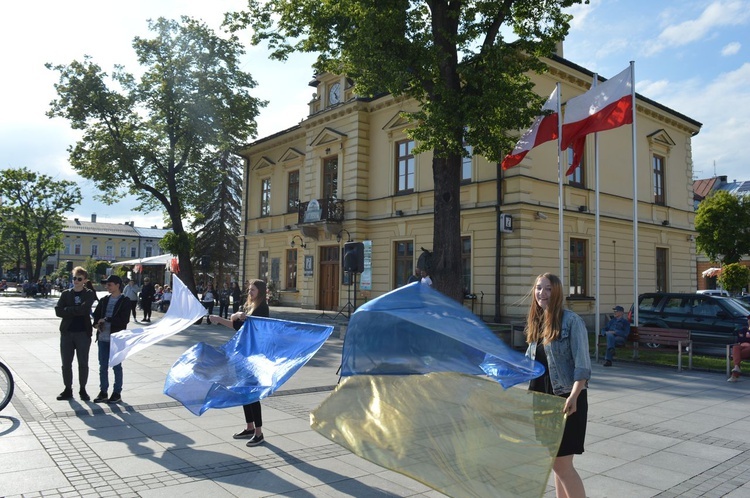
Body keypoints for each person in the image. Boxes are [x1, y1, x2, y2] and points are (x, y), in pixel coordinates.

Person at [525, 273, 590, 498]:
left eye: (548, 289)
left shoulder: (572, 321)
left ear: (558, 292)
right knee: (555, 464)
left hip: (565, 400)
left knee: (563, 465)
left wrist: (573, 397)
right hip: (542, 401)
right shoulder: (537, 322)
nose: (542, 293)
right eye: (538, 288)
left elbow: (583, 366)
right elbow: (529, 363)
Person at [209, 279, 269, 447]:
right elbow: (237, 326)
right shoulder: (249, 306)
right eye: (249, 289)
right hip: (242, 353)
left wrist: (235, 316)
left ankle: (259, 432)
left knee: (252, 392)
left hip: (253, 355)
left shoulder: (262, 308)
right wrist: (219, 319)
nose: (250, 292)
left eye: (253, 290)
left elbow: (249, 325)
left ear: (261, 292)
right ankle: (249, 427)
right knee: (244, 391)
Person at [54, 266, 97, 401]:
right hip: (67, 332)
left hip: (83, 333)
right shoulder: (66, 294)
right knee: (66, 363)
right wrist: (75, 309)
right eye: (74, 278)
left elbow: (84, 310)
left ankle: (83, 389)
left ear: (85, 280)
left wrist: (68, 309)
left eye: (79, 279)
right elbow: (58, 311)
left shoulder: (89, 293)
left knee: (83, 362)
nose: (76, 281)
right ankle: (68, 389)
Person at [92, 275, 131, 403]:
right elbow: (96, 316)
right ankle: (103, 392)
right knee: (102, 366)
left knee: (116, 366)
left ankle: (116, 393)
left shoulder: (125, 301)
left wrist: (108, 319)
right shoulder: (104, 300)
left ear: (117, 285)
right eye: (106, 284)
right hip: (103, 338)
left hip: (116, 339)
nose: (107, 287)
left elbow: (124, 320)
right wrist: (96, 324)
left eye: (110, 284)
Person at [728, 314, 750, 382]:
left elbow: (742, 340)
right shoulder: (744, 330)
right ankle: (736, 367)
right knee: (736, 347)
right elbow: (739, 340)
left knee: (736, 355)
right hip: (743, 348)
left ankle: (735, 376)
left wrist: (746, 343)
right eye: (749, 320)